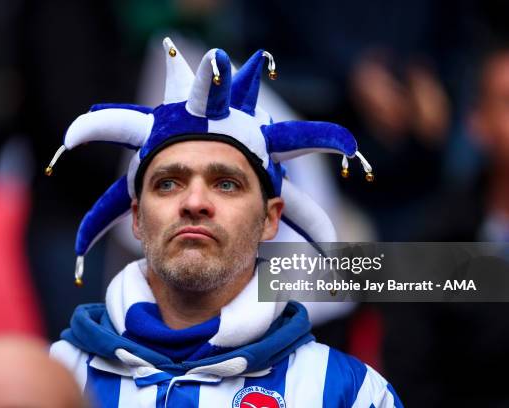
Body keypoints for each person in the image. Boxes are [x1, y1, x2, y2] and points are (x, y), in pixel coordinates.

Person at [49, 38, 402, 407]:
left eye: (226, 184)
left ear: (270, 218)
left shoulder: (353, 394)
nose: (195, 203)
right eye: (168, 183)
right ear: (136, 217)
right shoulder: (50, 380)